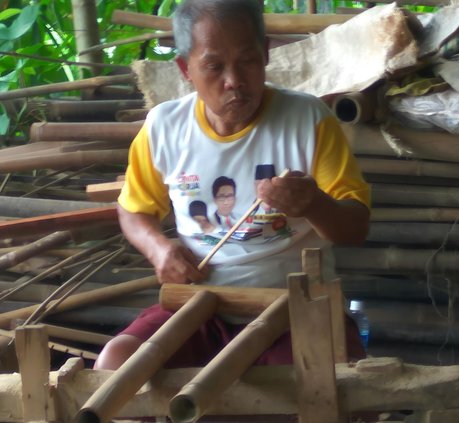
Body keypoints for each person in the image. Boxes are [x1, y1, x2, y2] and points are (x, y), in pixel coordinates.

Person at [94, 0, 371, 371]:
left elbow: (355, 228)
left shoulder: (308, 119)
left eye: (247, 60)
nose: (234, 80)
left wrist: (314, 205)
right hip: (199, 307)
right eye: (214, 66)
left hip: (294, 307)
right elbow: (132, 210)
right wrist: (158, 248)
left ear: (267, 54)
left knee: (320, 381)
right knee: (116, 363)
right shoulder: (164, 128)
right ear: (185, 69)